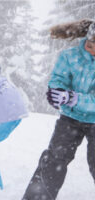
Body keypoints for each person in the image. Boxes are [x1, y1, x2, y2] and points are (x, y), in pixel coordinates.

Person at [22, 19, 95, 200]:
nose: (91, 48)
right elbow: (58, 78)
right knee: (54, 158)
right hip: (70, 118)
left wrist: (74, 98)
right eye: (90, 43)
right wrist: (57, 91)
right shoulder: (70, 56)